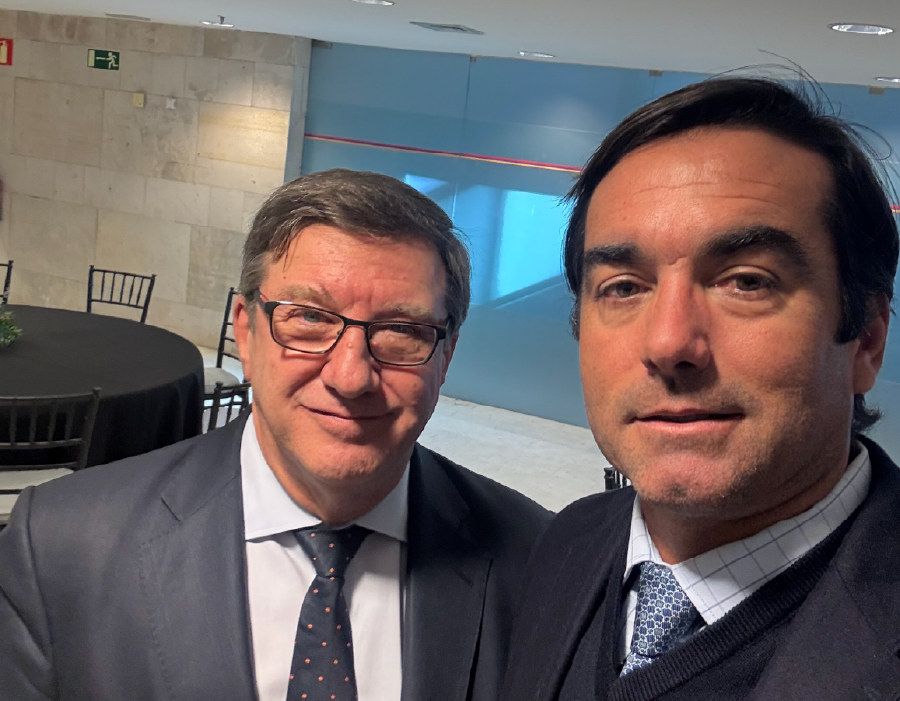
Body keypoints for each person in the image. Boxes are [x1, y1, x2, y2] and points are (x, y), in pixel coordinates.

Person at [0, 169, 551, 701]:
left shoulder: (540, 560)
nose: (350, 377)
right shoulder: (60, 544)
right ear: (245, 332)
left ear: (446, 356)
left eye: (402, 330)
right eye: (309, 318)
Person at [501, 77, 899, 701]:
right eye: (624, 287)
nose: (669, 343)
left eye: (746, 281)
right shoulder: (569, 540)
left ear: (867, 340)